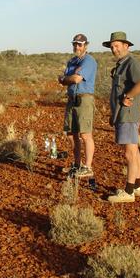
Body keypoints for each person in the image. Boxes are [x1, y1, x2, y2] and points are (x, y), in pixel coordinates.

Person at [103, 31, 140, 203]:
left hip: (128, 115)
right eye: (112, 46)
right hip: (123, 115)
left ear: (126, 46)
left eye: (117, 46)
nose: (114, 49)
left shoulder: (131, 63)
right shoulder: (121, 64)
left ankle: (128, 192)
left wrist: (129, 96)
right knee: (134, 151)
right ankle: (136, 186)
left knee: (130, 153)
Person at [58, 33, 97, 179]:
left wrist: (65, 79)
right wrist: (66, 79)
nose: (77, 46)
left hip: (84, 99)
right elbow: (66, 79)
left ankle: (88, 167)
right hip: (71, 99)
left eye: (79, 44)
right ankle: (77, 164)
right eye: (75, 44)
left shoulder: (89, 61)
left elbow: (75, 79)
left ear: (85, 45)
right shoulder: (72, 61)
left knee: (85, 134)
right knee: (70, 133)